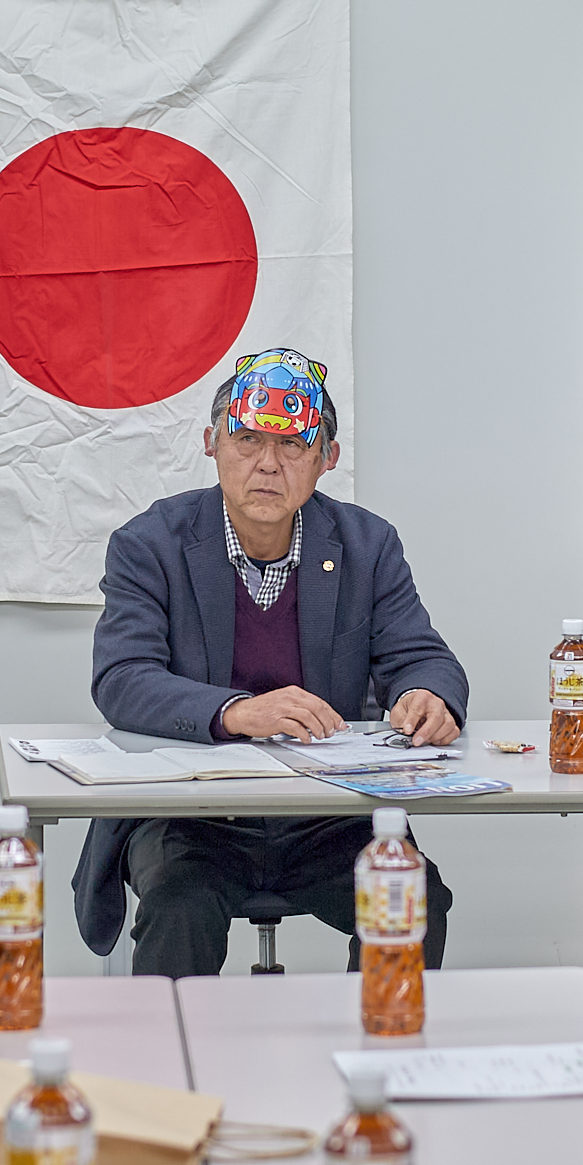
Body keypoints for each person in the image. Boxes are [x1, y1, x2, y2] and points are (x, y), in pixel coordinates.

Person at [70, 348, 470, 976]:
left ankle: (378, 1061)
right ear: (212, 442)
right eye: (247, 438)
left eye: (292, 446)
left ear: (326, 459)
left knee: (415, 900)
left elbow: (419, 654)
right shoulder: (149, 544)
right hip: (194, 816)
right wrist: (236, 712)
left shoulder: (368, 545)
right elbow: (122, 679)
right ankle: (165, 1069)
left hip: (328, 815)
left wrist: (429, 695)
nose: (267, 464)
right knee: (181, 904)